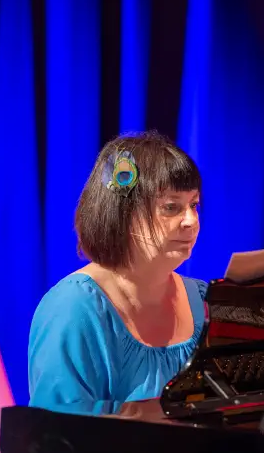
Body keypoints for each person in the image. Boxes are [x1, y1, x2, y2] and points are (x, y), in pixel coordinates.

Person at [27, 131, 205, 415]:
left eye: (193, 205)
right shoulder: (73, 307)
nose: (190, 220)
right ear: (124, 213)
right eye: (172, 207)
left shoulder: (206, 299)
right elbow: (57, 430)